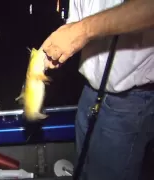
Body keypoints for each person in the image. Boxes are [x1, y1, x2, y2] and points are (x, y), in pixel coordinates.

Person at [40, 0, 154, 180]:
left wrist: (81, 31)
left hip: (129, 102)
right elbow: (76, 22)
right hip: (89, 92)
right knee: (84, 170)